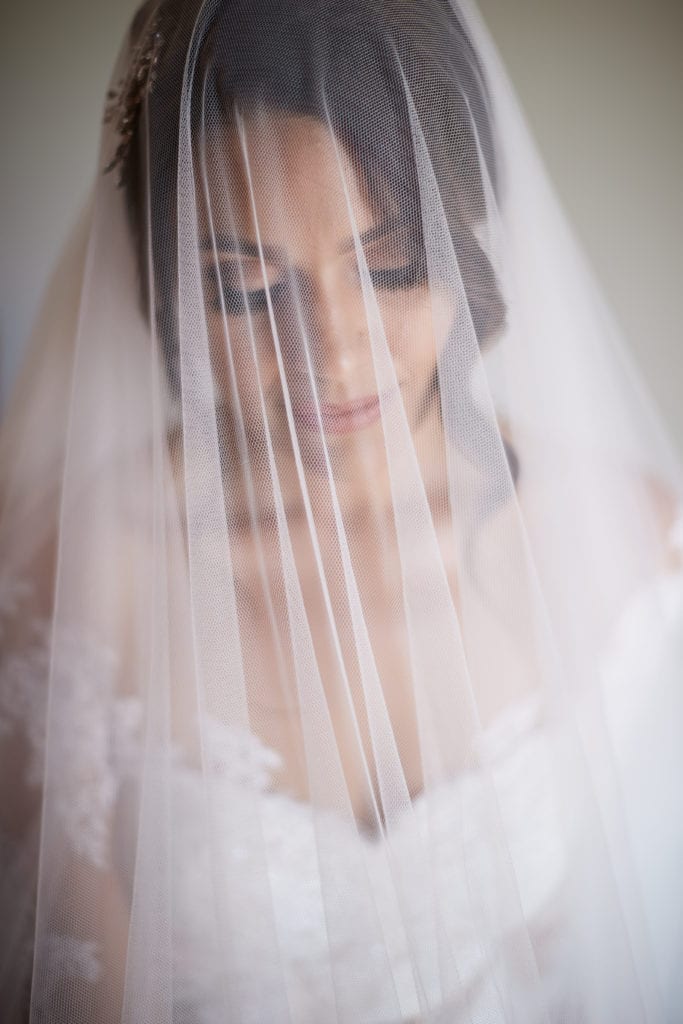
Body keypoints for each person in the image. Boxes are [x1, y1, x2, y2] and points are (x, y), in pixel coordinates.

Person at [1, 0, 681, 1020]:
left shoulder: (633, 540)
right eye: (242, 287)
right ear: (169, 288)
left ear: (469, 233)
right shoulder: (78, 577)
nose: (332, 353)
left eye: (389, 263)